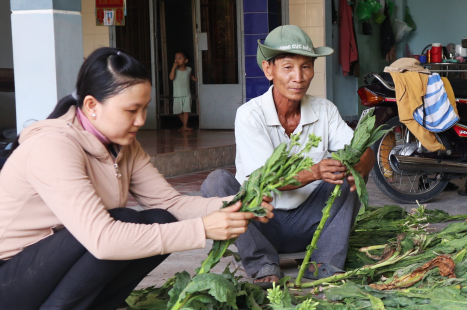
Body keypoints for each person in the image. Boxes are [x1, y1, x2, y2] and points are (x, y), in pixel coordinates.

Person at [0, 47, 273, 310]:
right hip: (11, 277)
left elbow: (171, 204)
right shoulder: (53, 145)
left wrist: (239, 203)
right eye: (131, 111)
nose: (141, 120)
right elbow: (102, 239)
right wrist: (201, 229)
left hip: (55, 268)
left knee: (160, 219)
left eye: (145, 108)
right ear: (92, 105)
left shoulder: (124, 145)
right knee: (121, 223)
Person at [201, 25, 375, 288]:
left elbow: (363, 150)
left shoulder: (324, 109)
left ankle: (324, 262)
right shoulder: (250, 114)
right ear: (268, 70)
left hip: (311, 225)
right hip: (261, 223)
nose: (299, 77)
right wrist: (315, 172)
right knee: (216, 183)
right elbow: (263, 180)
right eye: (288, 67)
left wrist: (360, 166)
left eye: (306, 67)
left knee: (346, 175)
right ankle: (262, 263)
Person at [169, 51, 197, 131]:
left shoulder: (189, 69)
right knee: (179, 111)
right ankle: (185, 125)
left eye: (180, 58)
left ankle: (185, 126)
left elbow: (192, 77)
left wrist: (198, 80)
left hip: (187, 93)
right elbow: (171, 78)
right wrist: (173, 68)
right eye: (176, 58)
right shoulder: (175, 70)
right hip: (177, 94)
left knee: (186, 111)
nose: (177, 60)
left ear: (186, 61)